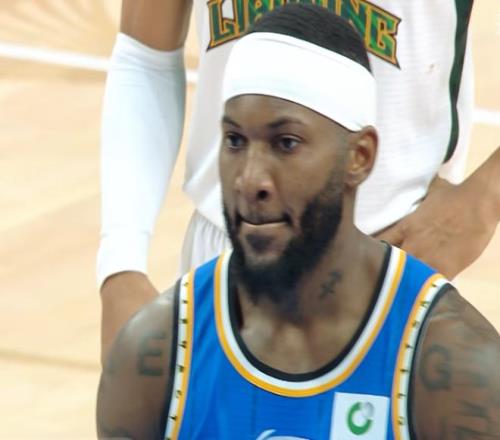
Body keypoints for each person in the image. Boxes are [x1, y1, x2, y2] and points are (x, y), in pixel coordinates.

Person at [96, 6, 500, 439]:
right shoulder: (154, 345)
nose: (252, 176)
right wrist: (121, 262)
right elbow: (145, 53)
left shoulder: (463, 364)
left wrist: (487, 195)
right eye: (234, 140)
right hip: (225, 250)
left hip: (395, 267)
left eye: (286, 143)